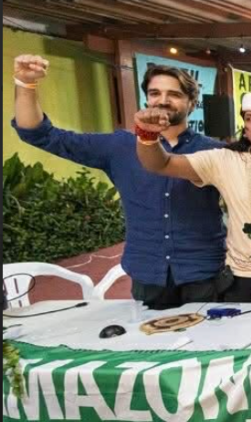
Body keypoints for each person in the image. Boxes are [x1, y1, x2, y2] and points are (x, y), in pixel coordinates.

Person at [11, 55, 229, 308]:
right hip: (147, 272)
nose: (163, 100)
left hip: (204, 272)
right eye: (155, 93)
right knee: (150, 345)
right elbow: (38, 134)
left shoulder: (216, 151)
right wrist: (25, 85)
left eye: (175, 94)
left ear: (192, 103)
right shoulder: (119, 146)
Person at [135, 91, 251, 302]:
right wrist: (147, 135)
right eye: (249, 118)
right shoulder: (225, 161)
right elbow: (160, 164)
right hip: (245, 278)